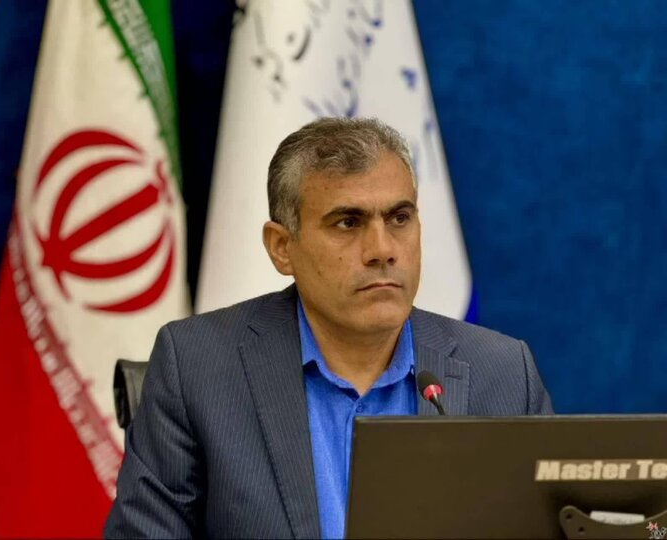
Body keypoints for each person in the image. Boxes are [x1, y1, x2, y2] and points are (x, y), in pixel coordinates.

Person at [104, 117, 553, 539]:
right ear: (282, 247)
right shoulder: (197, 368)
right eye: (348, 222)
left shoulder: (504, 373)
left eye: (399, 218)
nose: (382, 249)